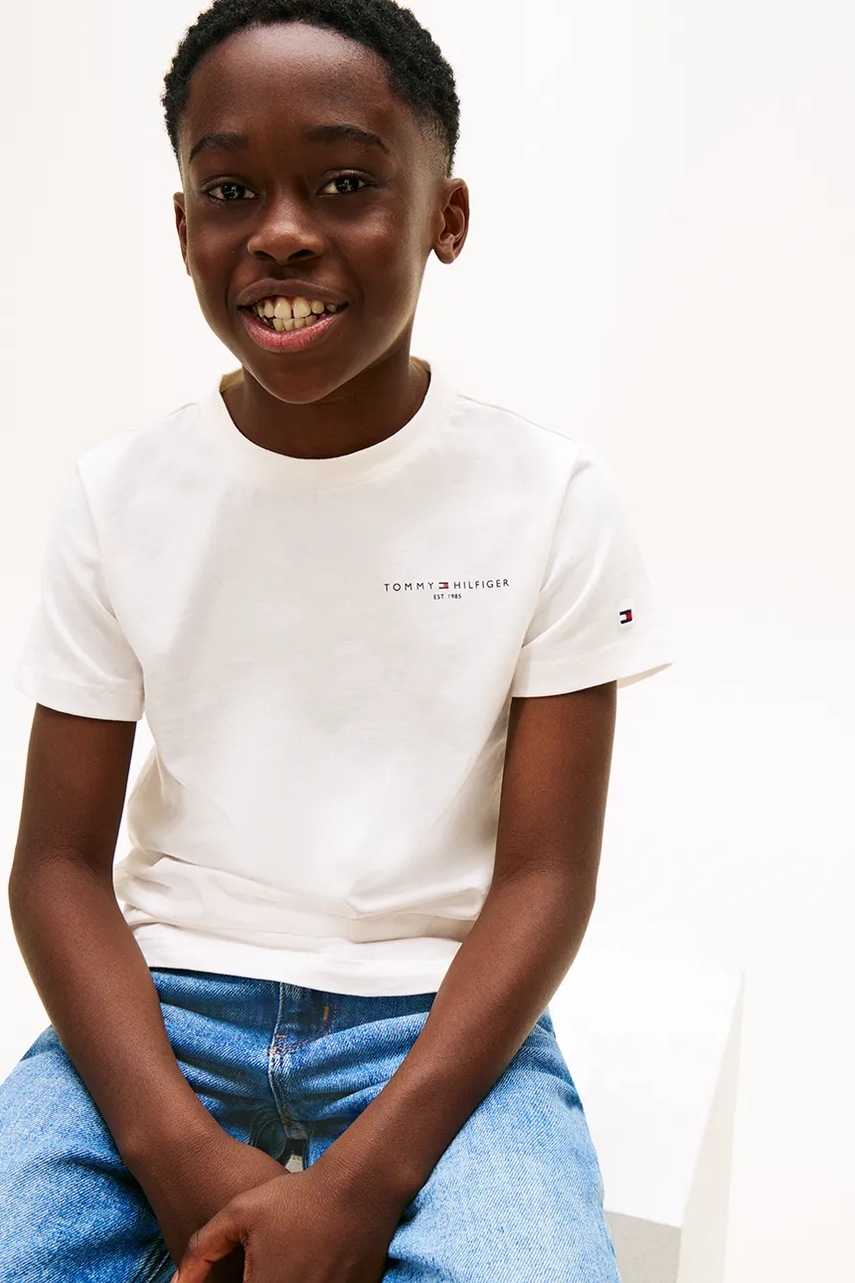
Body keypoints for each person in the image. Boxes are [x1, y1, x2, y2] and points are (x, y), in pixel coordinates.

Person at [0, 1, 672, 1279]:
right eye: (230, 190)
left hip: (441, 1030)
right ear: (184, 228)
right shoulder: (119, 495)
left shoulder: (551, 498)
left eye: (347, 183)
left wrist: (362, 1188)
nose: (282, 231)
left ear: (446, 217)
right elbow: (57, 866)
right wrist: (177, 1155)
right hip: (160, 1014)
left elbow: (544, 876)